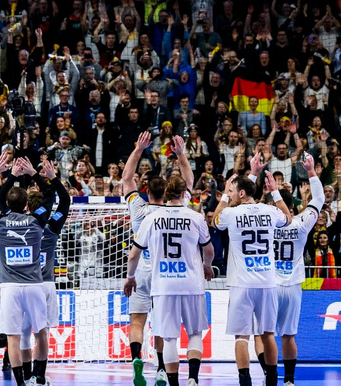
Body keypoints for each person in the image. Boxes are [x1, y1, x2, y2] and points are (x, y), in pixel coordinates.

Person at [0, 150, 61, 386]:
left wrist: (1, 175)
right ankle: (39, 377)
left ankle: (20, 382)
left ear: (6, 204)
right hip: (35, 284)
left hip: (10, 287)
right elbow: (49, 195)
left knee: (14, 337)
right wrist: (34, 173)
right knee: (40, 332)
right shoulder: (37, 220)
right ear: (27, 205)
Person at [125, 174, 214, 386]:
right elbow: (209, 250)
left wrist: (130, 278)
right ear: (184, 194)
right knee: (194, 333)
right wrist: (206, 266)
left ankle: (171, 380)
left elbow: (133, 255)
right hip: (192, 284)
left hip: (163, 284)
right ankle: (192, 378)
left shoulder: (150, 218)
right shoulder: (195, 217)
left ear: (166, 193)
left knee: (170, 337)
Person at [121, 131, 194, 386]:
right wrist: (181, 154)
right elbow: (189, 181)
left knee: (137, 321)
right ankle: (162, 369)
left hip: (140, 270)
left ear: (146, 191)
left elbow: (126, 177)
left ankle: (135, 360)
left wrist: (139, 149)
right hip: (166, 272)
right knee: (162, 323)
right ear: (167, 192)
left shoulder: (138, 207)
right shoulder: (176, 210)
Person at [210, 165, 292, 386]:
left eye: (234, 191)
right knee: (268, 334)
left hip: (242, 284)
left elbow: (214, 221)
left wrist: (225, 197)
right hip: (266, 282)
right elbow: (288, 217)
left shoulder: (231, 213)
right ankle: (273, 380)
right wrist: (275, 191)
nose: (232, 194)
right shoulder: (269, 211)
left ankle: (245, 381)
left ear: (241, 194)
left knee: (241, 337)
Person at [0, 155, 70, 386]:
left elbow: (1, 203)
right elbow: (65, 202)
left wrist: (12, 177)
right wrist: (49, 178)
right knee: (42, 332)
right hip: (43, 283)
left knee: (22, 335)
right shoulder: (50, 223)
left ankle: (26, 377)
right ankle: (39, 377)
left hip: (18, 282)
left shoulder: (17, 223)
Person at [269, 155, 324, 386]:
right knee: (289, 336)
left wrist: (272, 192)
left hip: (269, 284)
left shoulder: (268, 221)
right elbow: (319, 198)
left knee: (266, 335)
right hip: (292, 287)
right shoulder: (302, 222)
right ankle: (289, 381)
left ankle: (269, 375)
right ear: (293, 206)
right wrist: (311, 171)